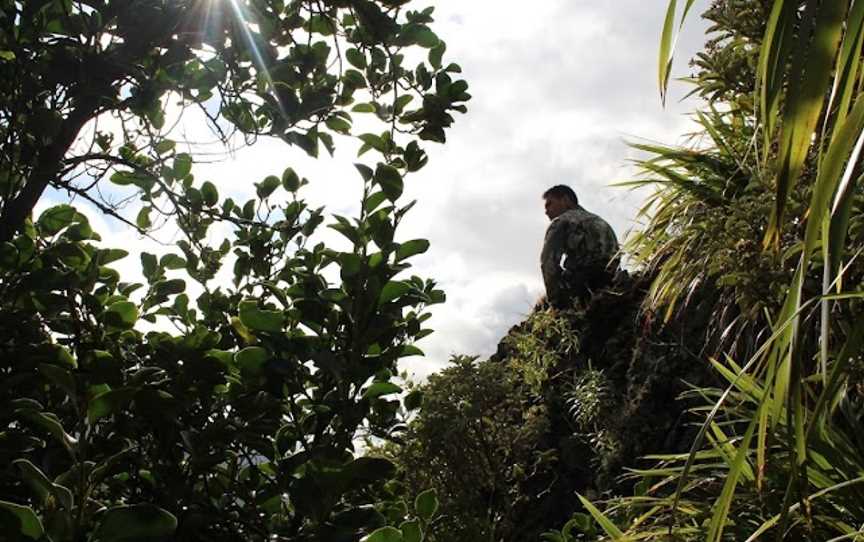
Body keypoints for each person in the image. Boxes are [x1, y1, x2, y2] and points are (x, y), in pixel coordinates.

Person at [540, 185, 619, 308]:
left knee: (543, 304)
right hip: (612, 282)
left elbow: (547, 263)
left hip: (583, 287)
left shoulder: (561, 222)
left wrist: (556, 303)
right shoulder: (601, 221)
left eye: (550, 204)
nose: (546, 211)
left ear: (565, 200)